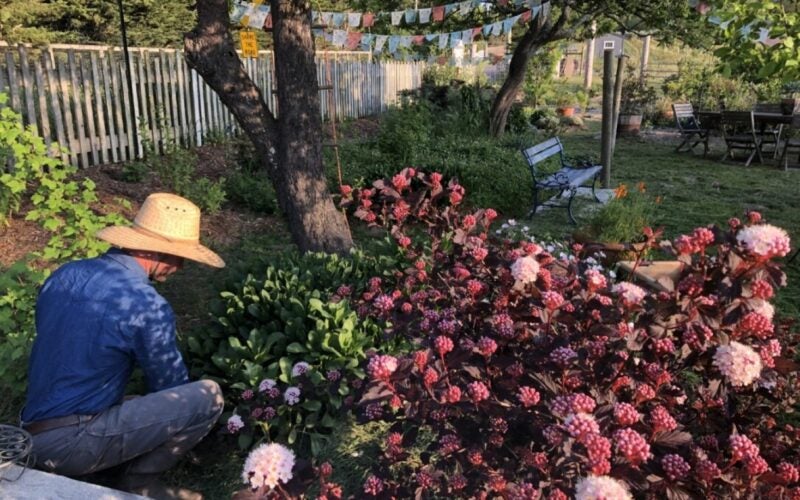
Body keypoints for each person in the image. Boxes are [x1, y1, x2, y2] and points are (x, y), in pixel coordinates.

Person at [21, 193, 226, 500]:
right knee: (206, 397)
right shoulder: (147, 304)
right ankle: (137, 483)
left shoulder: (65, 274)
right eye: (180, 256)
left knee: (126, 399)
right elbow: (169, 386)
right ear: (157, 252)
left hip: (29, 431)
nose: (181, 266)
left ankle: (102, 463)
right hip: (73, 445)